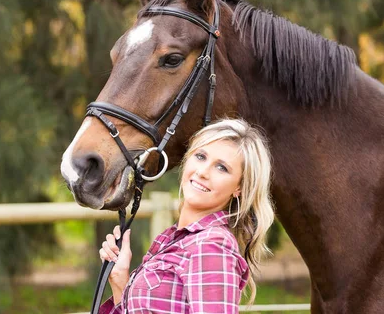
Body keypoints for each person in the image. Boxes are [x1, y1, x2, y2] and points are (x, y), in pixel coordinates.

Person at [98, 118, 275, 314]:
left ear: (239, 187)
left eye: (221, 167)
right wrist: (119, 281)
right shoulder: (177, 241)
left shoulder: (211, 244)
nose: (203, 172)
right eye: (200, 156)